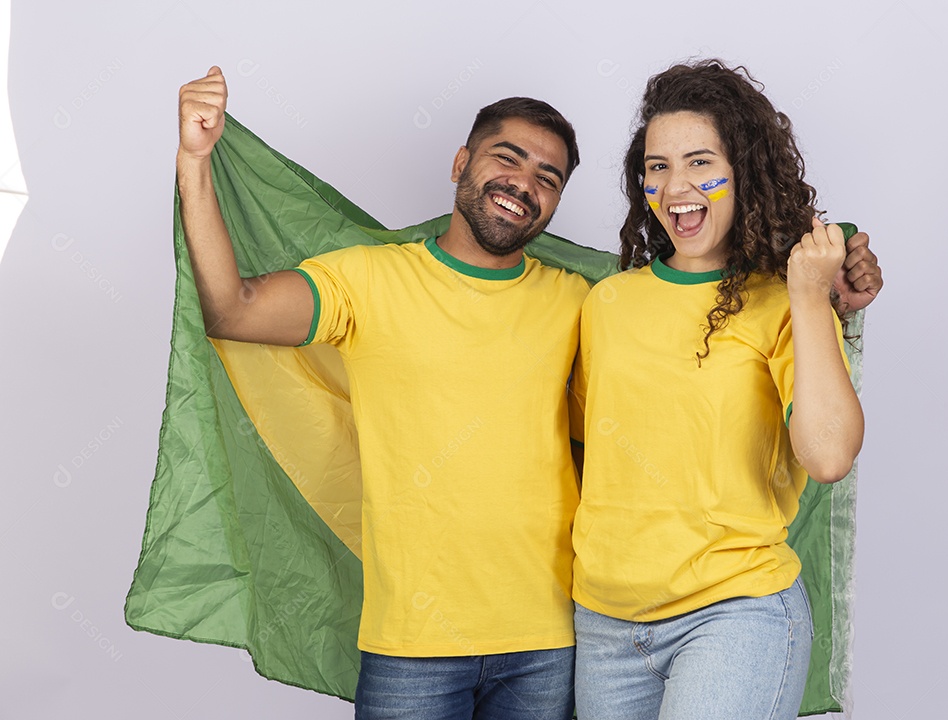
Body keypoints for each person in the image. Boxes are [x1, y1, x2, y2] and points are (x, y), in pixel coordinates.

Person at [176, 64, 880, 720]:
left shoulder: (641, 302)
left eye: (548, 174)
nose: (523, 183)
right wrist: (195, 164)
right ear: (461, 163)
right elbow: (234, 309)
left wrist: (832, 270)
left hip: (625, 627)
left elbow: (797, 428)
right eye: (657, 168)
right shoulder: (553, 300)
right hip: (513, 635)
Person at [569, 59, 867, 719]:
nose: (677, 187)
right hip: (603, 624)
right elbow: (590, 453)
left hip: (734, 612)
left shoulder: (785, 303)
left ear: (746, 172)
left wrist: (812, 296)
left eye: (701, 162)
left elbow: (828, 455)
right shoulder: (607, 303)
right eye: (657, 166)